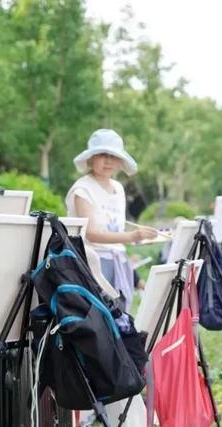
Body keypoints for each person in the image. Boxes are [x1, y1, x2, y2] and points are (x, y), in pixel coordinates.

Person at [65, 129, 157, 312]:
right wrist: (132, 236)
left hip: (119, 262)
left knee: (120, 318)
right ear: (90, 158)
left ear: (120, 160)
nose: (108, 161)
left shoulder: (118, 188)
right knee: (98, 317)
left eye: (113, 156)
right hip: (93, 262)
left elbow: (115, 230)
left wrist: (130, 248)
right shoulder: (83, 189)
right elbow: (91, 234)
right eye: (101, 155)